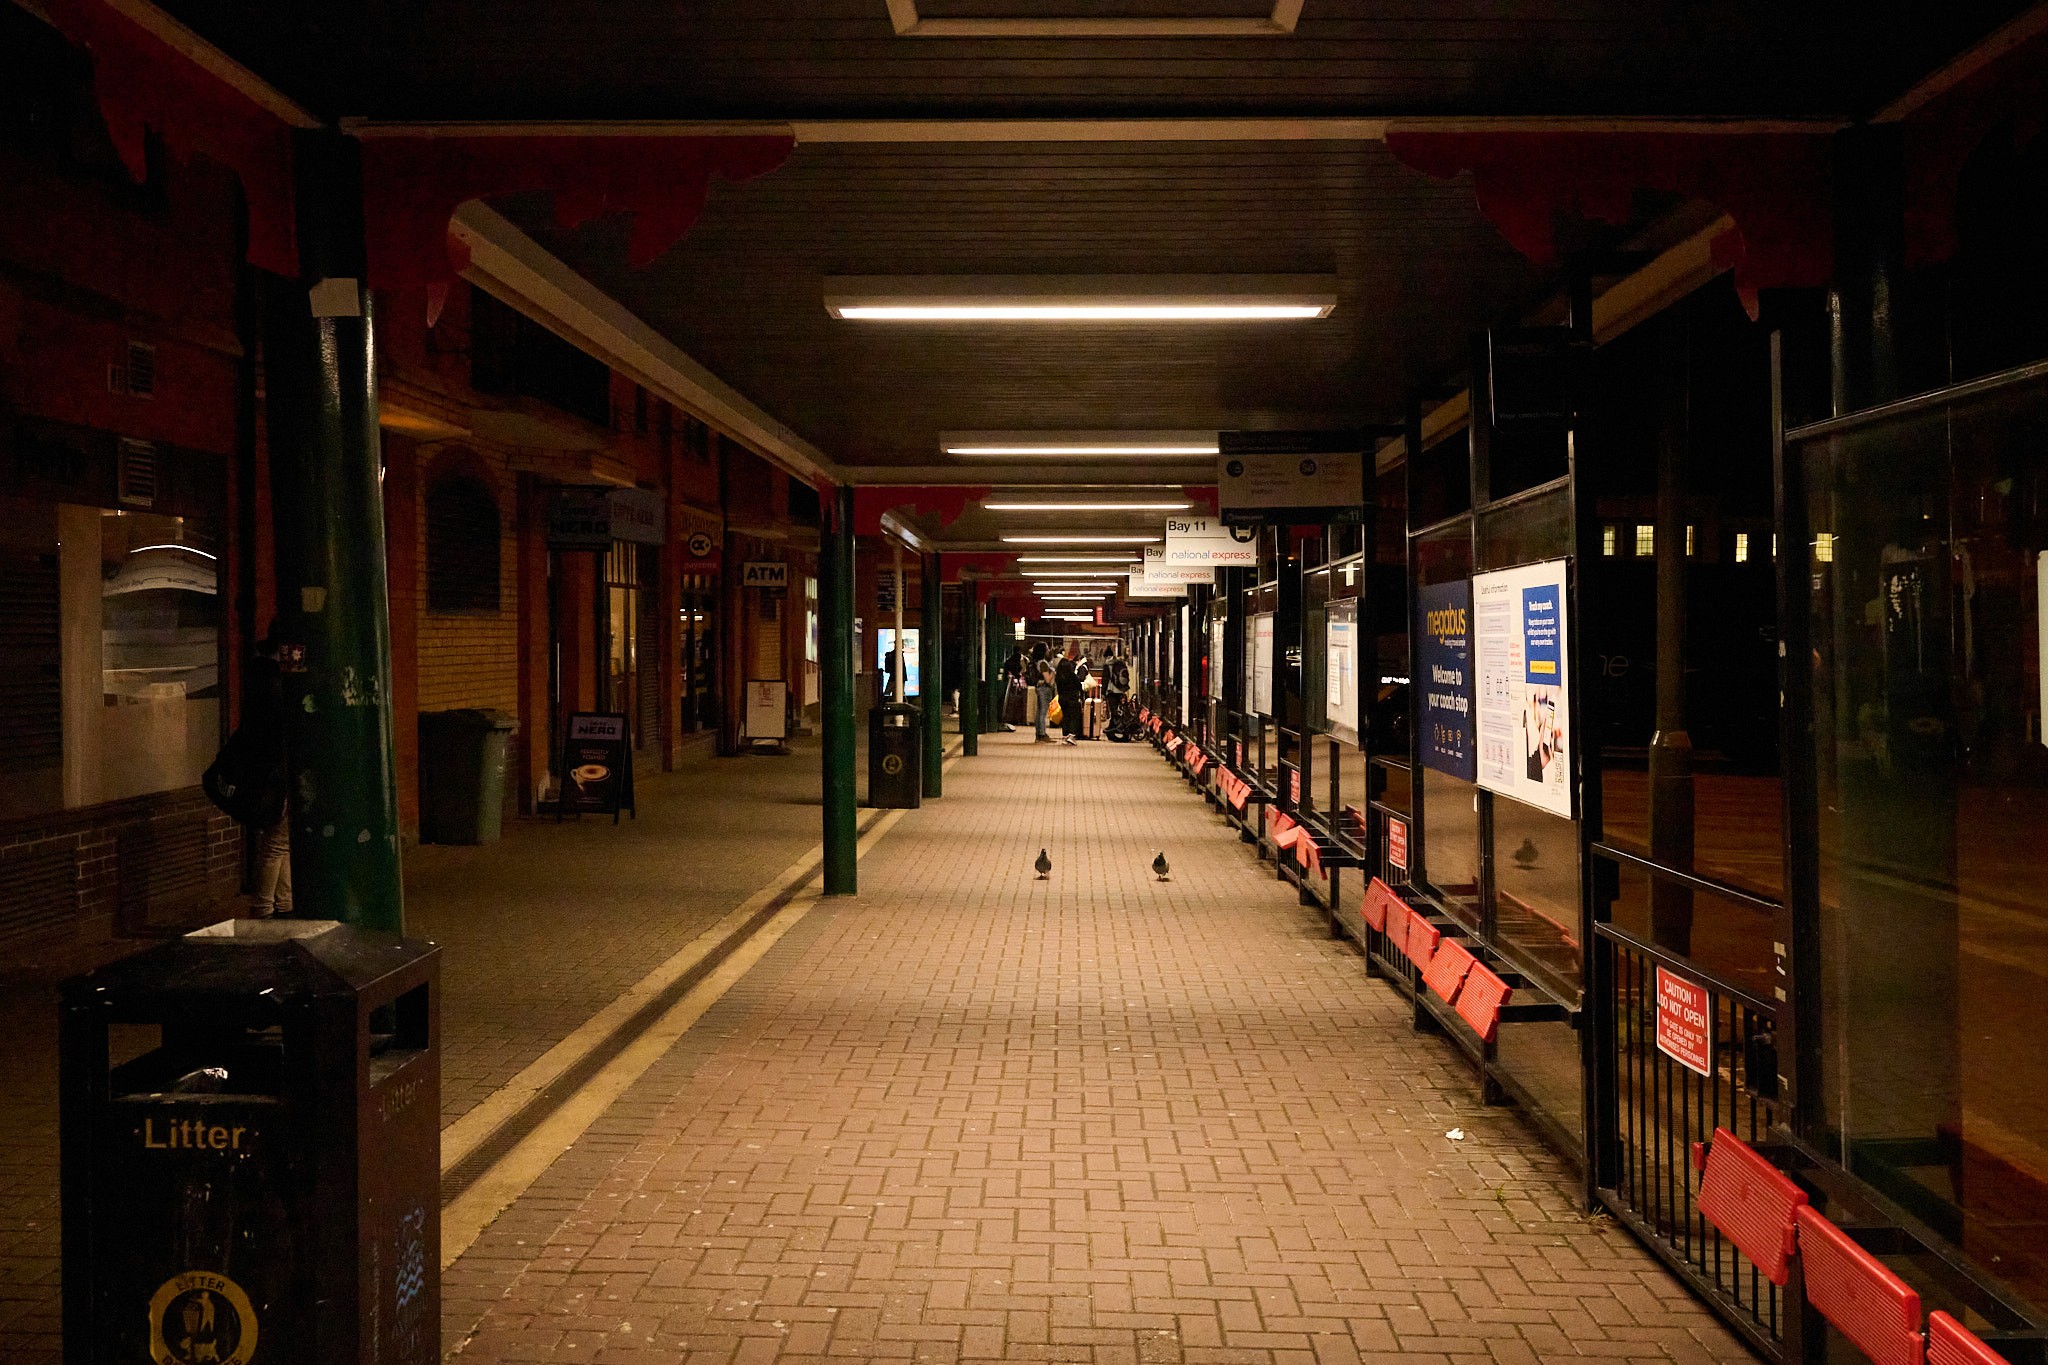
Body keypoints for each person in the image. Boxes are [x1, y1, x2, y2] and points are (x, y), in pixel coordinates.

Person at [1054, 643, 1085, 745]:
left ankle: (1065, 736)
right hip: (1072, 698)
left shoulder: (1058, 677)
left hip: (1062, 699)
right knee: (1074, 717)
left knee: (1066, 717)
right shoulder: (1072, 676)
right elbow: (1078, 685)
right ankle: (1072, 735)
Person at [1031, 643, 1057, 743]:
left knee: (1039, 712)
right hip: (1044, 689)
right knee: (1043, 712)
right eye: (1046, 649)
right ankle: (1042, 734)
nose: (1048, 651)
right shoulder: (1043, 664)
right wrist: (1053, 672)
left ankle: (1039, 734)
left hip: (1039, 688)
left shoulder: (1036, 662)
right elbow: (1048, 679)